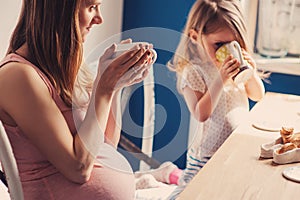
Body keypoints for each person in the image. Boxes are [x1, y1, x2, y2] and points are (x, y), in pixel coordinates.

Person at [0, 0, 155, 199]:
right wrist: (103, 88)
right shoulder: (17, 76)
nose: (99, 19)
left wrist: (115, 85)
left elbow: (105, 148)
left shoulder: (65, 68)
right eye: (91, 7)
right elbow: (78, 168)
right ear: (60, 10)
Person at [167, 0, 265, 198]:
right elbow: (201, 114)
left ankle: (170, 174)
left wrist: (251, 73)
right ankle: (170, 175)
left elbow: (257, 95)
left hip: (234, 150)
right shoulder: (194, 71)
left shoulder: (236, 67)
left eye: (233, 44)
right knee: (191, 194)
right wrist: (220, 79)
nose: (227, 50)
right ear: (195, 37)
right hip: (206, 157)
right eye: (219, 44)